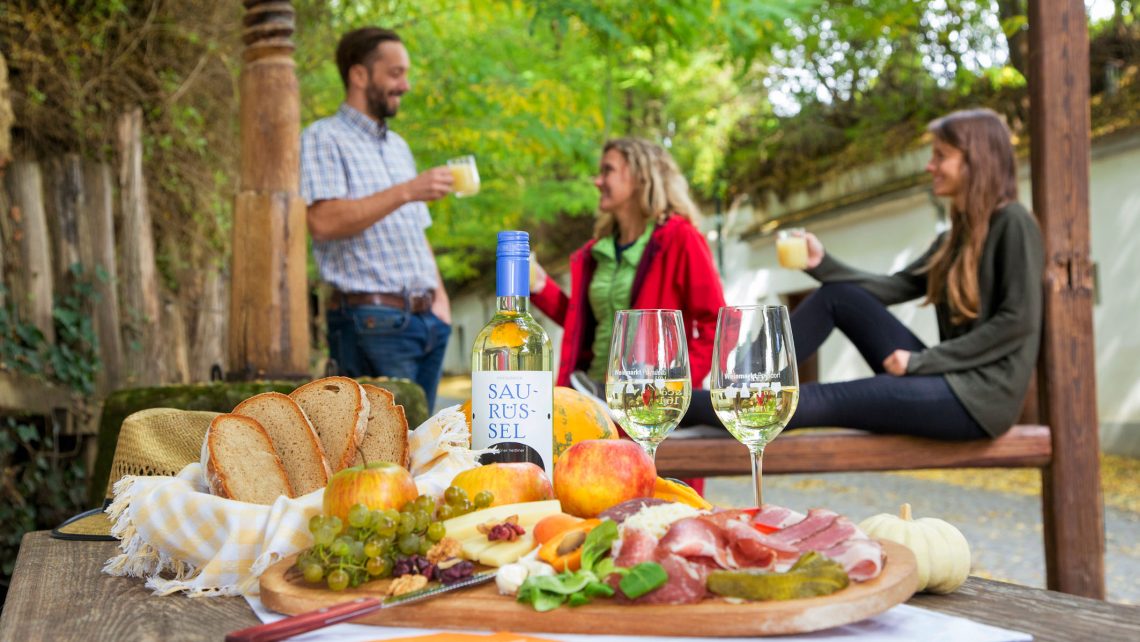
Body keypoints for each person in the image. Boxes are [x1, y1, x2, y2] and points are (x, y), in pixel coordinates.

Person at [781, 108, 1044, 440]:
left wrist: (921, 362)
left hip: (979, 400)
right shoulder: (953, 239)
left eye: (940, 156)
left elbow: (1016, 322)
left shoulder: (1014, 223)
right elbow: (893, 288)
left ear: (975, 161)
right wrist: (822, 264)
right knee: (838, 296)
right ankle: (751, 380)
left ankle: (709, 406)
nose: (929, 166)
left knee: (823, 398)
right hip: (948, 378)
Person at [300, 27, 454, 411]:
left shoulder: (398, 146)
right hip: (371, 322)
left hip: (427, 323)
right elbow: (323, 221)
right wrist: (407, 190)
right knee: (381, 453)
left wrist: (441, 301)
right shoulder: (324, 137)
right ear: (359, 75)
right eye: (396, 73)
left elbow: (417, 232)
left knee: (423, 451)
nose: (406, 84)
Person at [531, 137, 726, 408]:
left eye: (607, 170)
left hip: (649, 408)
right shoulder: (596, 251)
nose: (598, 181)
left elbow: (717, 326)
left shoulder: (680, 238)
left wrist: (669, 388)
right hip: (589, 398)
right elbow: (584, 325)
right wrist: (541, 287)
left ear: (640, 176)